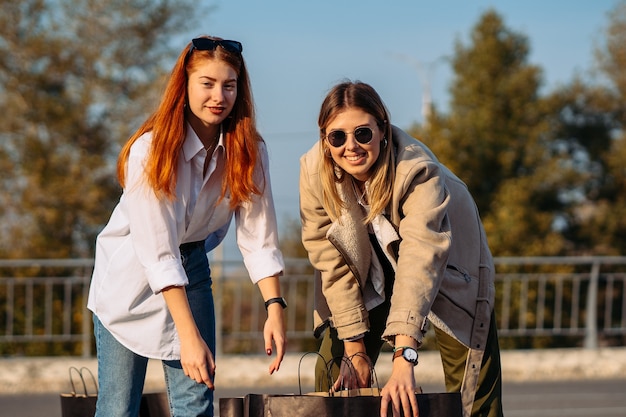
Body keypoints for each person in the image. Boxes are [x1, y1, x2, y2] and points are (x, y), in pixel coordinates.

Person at [87, 36, 287, 417]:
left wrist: (274, 307)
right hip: (131, 276)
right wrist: (189, 337)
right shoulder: (151, 150)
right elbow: (158, 254)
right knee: (117, 409)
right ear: (186, 86)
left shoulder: (250, 151)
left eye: (229, 85)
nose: (218, 96)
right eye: (207, 84)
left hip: (192, 268)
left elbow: (259, 238)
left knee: (196, 405)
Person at [299, 80, 503, 417]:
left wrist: (404, 356)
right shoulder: (313, 173)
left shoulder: (417, 170)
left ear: (382, 129)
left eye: (362, 133)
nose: (351, 146)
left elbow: (420, 262)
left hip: (448, 269)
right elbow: (331, 263)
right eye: (338, 137)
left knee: (473, 396)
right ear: (325, 140)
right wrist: (355, 349)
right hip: (371, 273)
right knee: (337, 372)